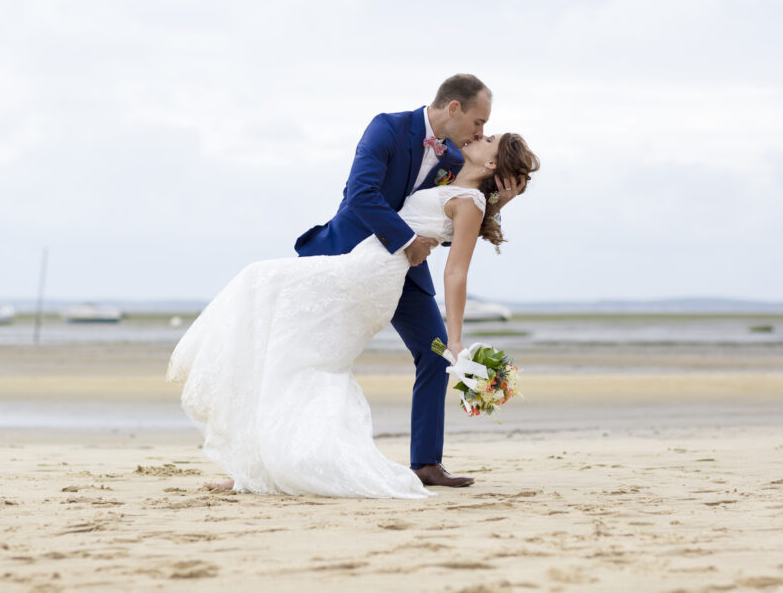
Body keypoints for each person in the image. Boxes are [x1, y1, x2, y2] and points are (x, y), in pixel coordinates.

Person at [167, 127, 539, 498]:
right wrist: (496, 199)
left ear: (491, 161)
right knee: (288, 332)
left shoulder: (470, 200)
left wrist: (455, 339)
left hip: (372, 273)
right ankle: (257, 466)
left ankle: (272, 465)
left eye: (489, 139)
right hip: (366, 258)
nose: (480, 134)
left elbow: (456, 271)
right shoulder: (456, 174)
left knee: (277, 308)